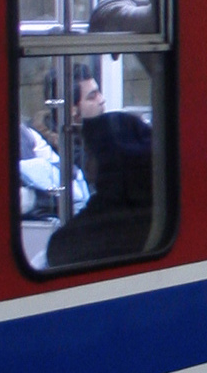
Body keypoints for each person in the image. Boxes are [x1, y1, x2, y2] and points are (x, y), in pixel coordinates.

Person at [45, 110, 156, 266]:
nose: (87, 165)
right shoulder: (157, 208)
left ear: (108, 161)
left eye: (90, 155)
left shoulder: (81, 235)